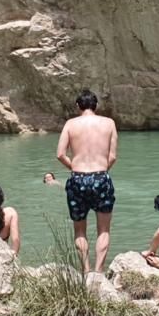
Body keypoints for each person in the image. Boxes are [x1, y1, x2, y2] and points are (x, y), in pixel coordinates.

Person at [56, 89, 118, 273]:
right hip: (101, 175)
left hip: (77, 177)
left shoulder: (70, 124)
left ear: (78, 106)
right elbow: (113, 156)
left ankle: (85, 270)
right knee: (104, 230)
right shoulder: (109, 123)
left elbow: (60, 154)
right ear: (96, 105)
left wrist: (74, 167)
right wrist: (101, 172)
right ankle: (98, 272)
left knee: (80, 230)